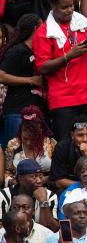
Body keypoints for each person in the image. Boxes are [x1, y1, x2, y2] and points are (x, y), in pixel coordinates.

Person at [32, 0, 87, 142]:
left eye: (71, 5)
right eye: (64, 7)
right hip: (63, 98)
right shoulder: (43, 33)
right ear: (52, 6)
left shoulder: (84, 25)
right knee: (67, 145)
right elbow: (42, 67)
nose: (70, 10)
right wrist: (68, 56)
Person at [0, 14, 45, 147]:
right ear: (36, 28)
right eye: (43, 26)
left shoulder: (39, 50)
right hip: (17, 111)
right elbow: (1, 76)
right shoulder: (18, 51)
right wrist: (31, 80)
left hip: (37, 110)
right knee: (14, 151)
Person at [0, 158, 58, 232]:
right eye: (34, 177)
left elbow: (52, 230)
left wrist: (43, 202)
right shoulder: (4, 195)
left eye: (40, 176)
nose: (39, 181)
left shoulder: (50, 196)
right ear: (20, 178)